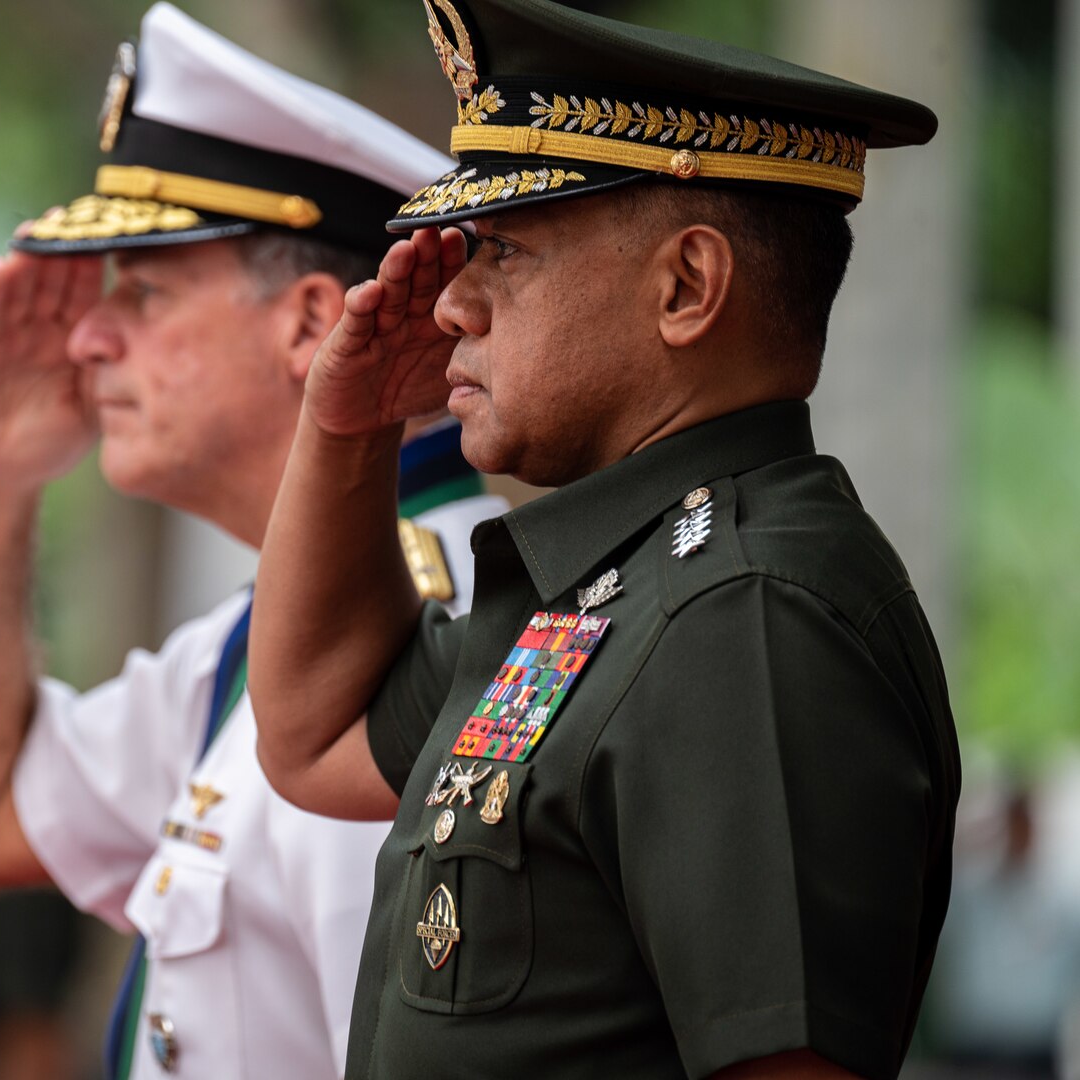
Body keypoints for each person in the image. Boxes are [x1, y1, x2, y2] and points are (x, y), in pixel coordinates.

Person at [248, 1, 961, 1078]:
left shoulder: (743, 611)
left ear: (685, 287)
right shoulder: (614, 580)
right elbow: (313, 736)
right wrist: (347, 428)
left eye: (506, 253)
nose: (451, 305)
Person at [0, 6, 506, 1080]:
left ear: (310, 324)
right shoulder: (244, 651)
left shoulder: (438, 639)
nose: (88, 336)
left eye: (148, 290)